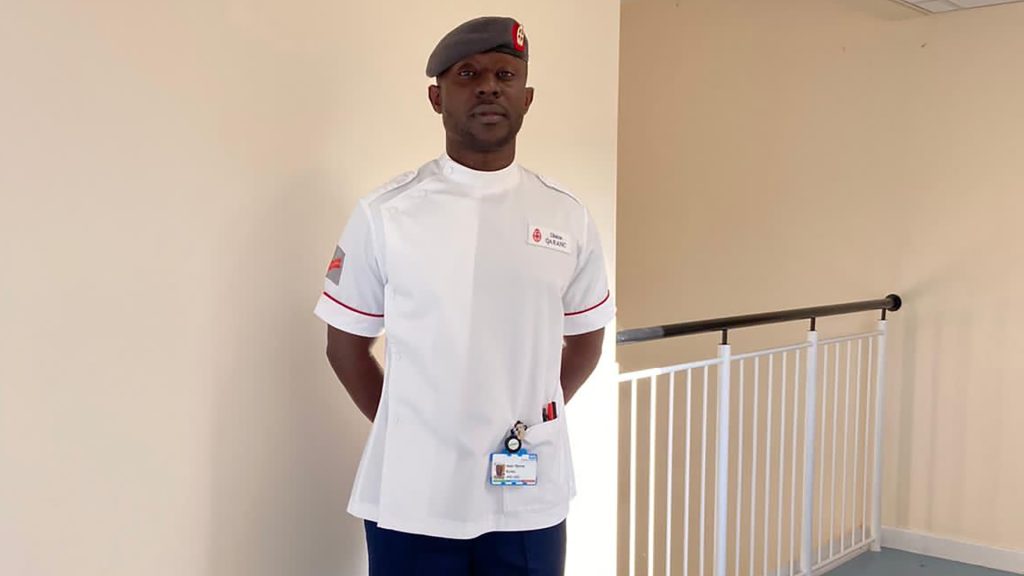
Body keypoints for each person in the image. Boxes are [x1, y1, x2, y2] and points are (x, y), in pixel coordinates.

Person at [314, 16, 614, 576]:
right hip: (414, 496)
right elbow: (345, 347)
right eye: (468, 74)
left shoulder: (565, 216)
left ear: (527, 99)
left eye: (505, 75)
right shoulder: (387, 214)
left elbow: (587, 342)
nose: (489, 87)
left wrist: (534, 419)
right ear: (437, 98)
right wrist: (411, 429)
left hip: (528, 496)